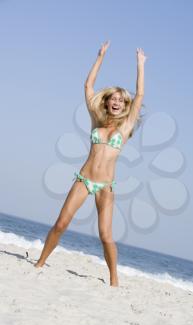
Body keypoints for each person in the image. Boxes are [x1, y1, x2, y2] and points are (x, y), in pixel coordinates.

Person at [34, 40, 147, 287]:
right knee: (61, 223)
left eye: (120, 100)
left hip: (105, 187)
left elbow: (139, 95)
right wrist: (100, 57)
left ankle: (114, 280)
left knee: (106, 236)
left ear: (124, 105)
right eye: (112, 99)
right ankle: (40, 263)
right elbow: (87, 86)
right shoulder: (96, 122)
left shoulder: (126, 127)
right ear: (106, 102)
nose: (116, 102)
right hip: (84, 180)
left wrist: (140, 65)